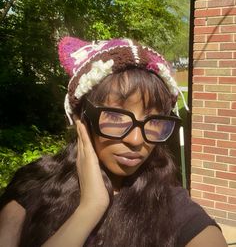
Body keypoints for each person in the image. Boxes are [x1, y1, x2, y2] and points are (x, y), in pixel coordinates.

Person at [0, 37, 227, 247]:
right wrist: (90, 208)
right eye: (116, 116)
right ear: (82, 118)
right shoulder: (32, 188)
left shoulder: (169, 204)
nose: (136, 140)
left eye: (154, 120)